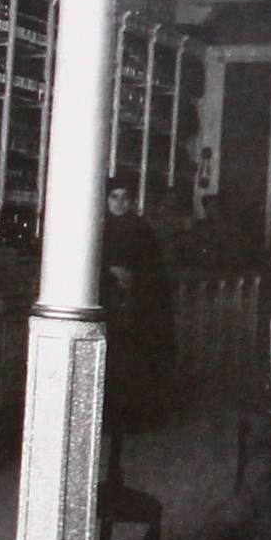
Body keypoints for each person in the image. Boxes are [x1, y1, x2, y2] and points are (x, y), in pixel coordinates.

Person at [102, 177, 177, 441]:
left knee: (134, 362)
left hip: (138, 305)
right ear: (106, 199)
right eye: (114, 197)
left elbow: (154, 267)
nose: (120, 202)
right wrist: (111, 270)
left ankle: (133, 418)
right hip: (107, 304)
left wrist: (134, 276)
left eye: (125, 197)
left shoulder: (140, 228)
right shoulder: (98, 227)